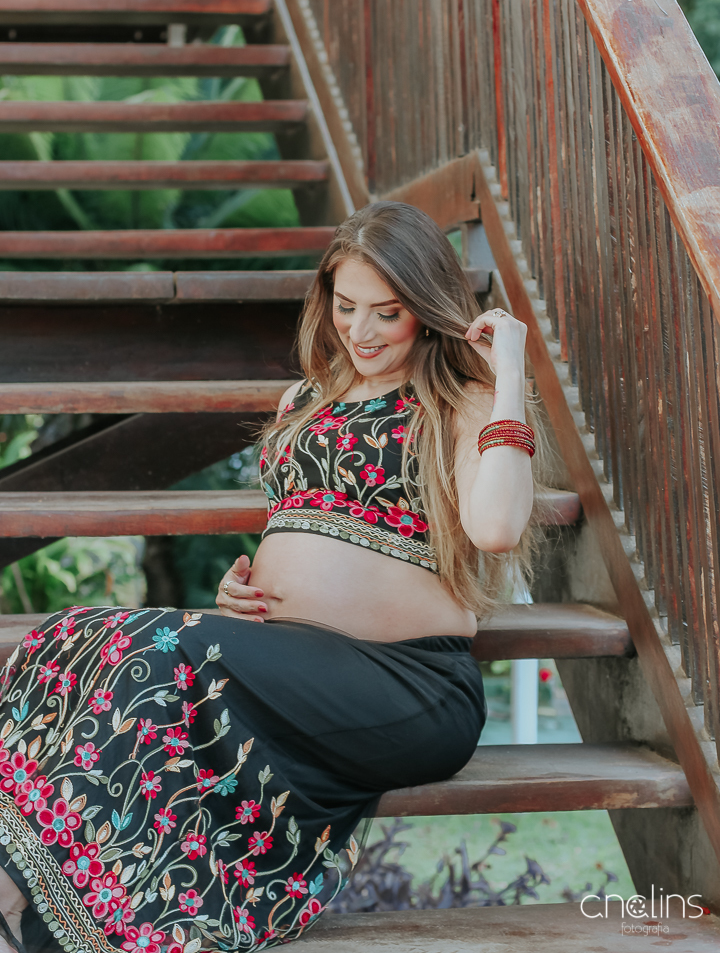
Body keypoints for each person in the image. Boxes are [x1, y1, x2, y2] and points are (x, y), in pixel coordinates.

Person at [0, 202, 543, 953]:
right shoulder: (305, 400)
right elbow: (301, 527)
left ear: (426, 308)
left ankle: (47, 907)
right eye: (346, 307)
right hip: (291, 665)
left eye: (387, 313)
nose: (361, 331)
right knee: (72, 636)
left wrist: (509, 370)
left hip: (408, 685)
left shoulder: (458, 400)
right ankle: (30, 884)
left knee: (160, 652)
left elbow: (496, 528)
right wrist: (241, 593)